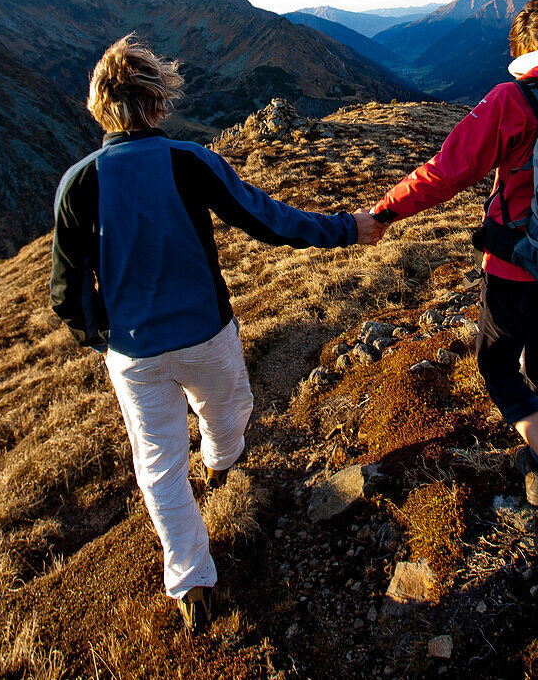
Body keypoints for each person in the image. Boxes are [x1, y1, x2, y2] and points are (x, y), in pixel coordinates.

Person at [50, 34, 382, 633]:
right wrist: (346, 228)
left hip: (133, 353)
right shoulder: (188, 160)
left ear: (100, 105)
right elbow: (268, 220)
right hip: (206, 333)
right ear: (157, 99)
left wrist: (104, 340)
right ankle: (222, 468)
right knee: (229, 412)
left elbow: (65, 293)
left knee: (156, 467)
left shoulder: (78, 183)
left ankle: (193, 583)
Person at [372, 0, 538, 544]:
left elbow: (446, 170)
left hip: (519, 262)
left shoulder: (512, 97)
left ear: (520, 52)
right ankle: (537, 465)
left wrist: (384, 211)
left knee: (498, 363)